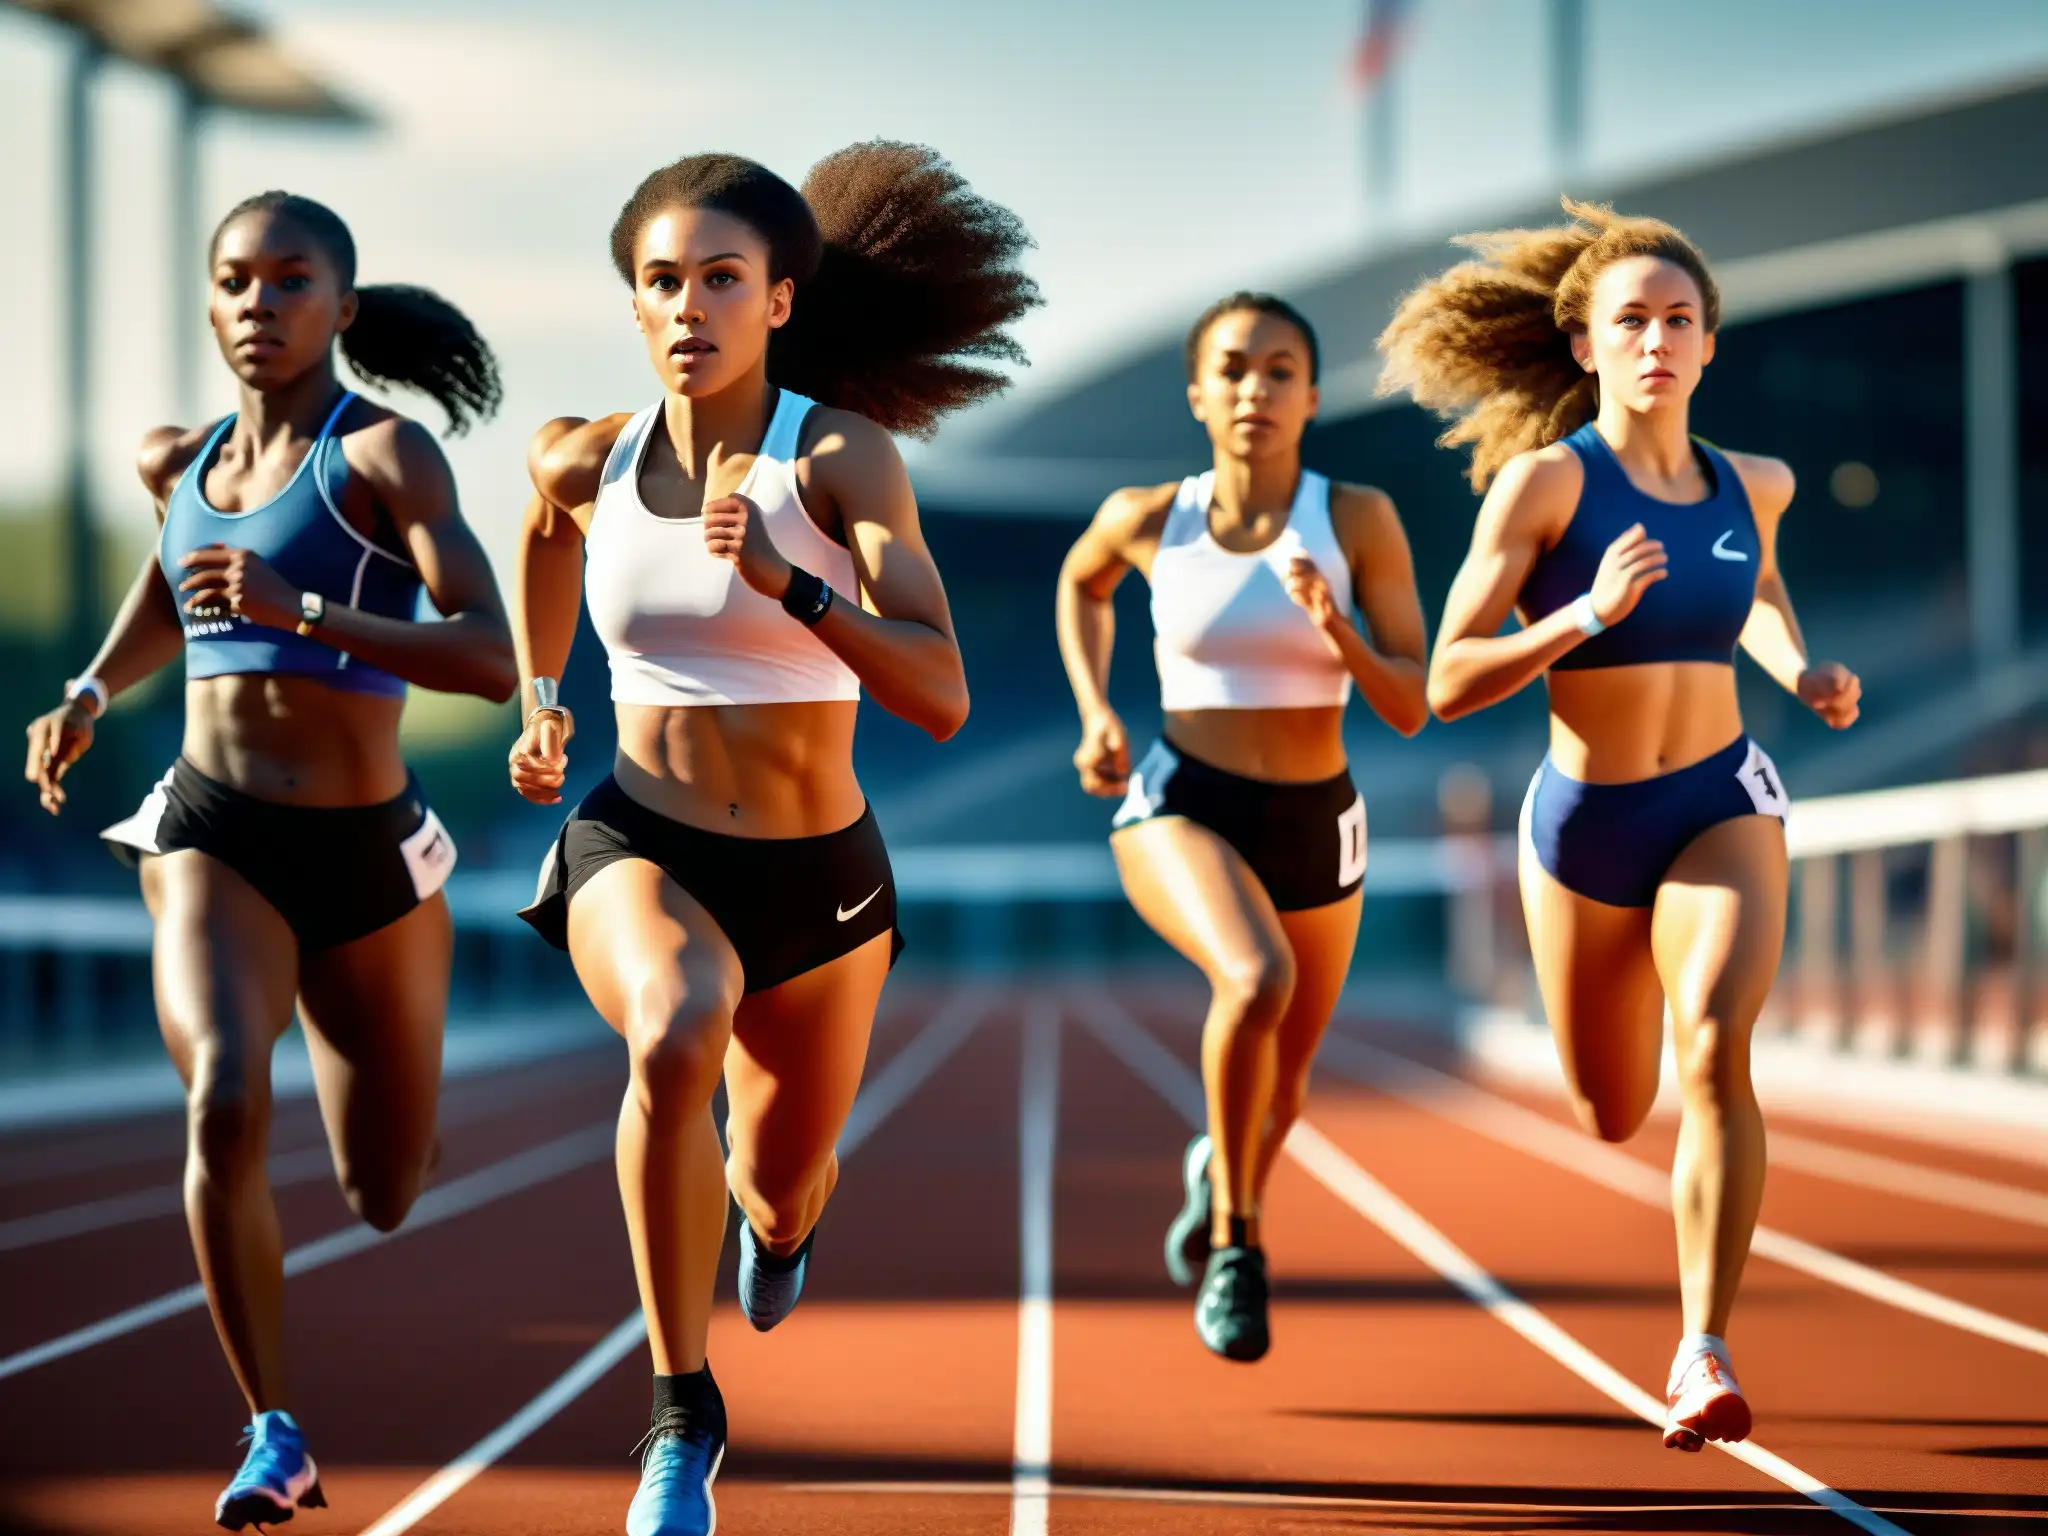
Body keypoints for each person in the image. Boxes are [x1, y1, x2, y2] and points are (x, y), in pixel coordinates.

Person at [506, 143, 1036, 1536]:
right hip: (640, 841)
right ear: (633, 304)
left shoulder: (838, 457)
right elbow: (546, 533)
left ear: (781, 303)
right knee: (676, 1031)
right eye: (662, 281)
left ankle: (784, 1219)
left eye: (722, 280)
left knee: (779, 1173)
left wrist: (791, 582)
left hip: (823, 881)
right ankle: (682, 1419)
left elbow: (939, 689)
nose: (690, 306)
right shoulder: (586, 453)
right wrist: (541, 695)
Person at [21, 191, 514, 1526]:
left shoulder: (387, 461)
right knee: (225, 1096)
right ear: (209, 298)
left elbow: (489, 657)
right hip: (210, 833)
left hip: (366, 856)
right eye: (235, 281)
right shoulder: (171, 463)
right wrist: (87, 688)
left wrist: (311, 610)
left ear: (341, 308)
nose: (259, 304)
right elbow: (166, 590)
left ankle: (385, 1087)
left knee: (385, 1188)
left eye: (290, 281)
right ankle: (271, 1433)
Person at [1377, 199, 1860, 1449]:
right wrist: (1580, 617)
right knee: (1608, 1105)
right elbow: (1444, 680)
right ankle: (1626, 1057)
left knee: (1711, 1047)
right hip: (1583, 826)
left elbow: (1754, 588)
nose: (1656, 340)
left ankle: (1700, 1349)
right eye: (1630, 321)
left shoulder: (1753, 484)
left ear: (1709, 347)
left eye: (1679, 320)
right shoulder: (1542, 487)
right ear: (1585, 347)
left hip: (1718, 799)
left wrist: (1798, 667)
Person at [1055, 292, 1429, 1363]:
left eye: (1276, 371)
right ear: (1196, 393)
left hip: (1318, 816)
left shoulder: (1356, 518)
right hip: (1182, 801)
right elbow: (1081, 584)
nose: (1252, 389)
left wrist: (1335, 631)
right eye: (1230, 369)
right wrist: (1094, 709)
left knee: (1288, 1084)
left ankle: (1218, 1168)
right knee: (1253, 980)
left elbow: (1406, 704)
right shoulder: (1147, 516)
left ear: (1312, 397)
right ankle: (1237, 1246)